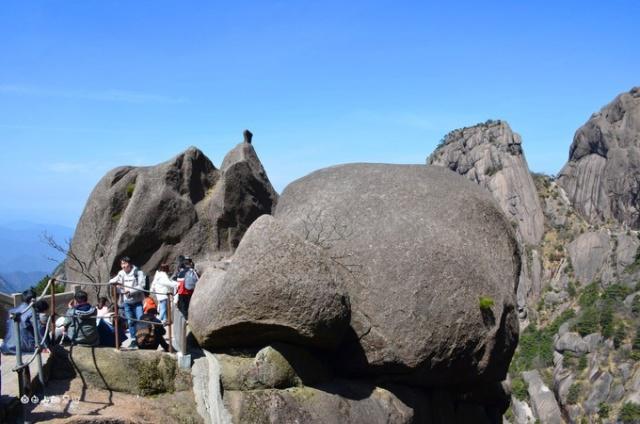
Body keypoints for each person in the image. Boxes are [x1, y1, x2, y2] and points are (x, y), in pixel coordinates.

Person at [109, 256, 145, 349]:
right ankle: (133, 340)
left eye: (125, 263)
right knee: (130, 321)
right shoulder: (121, 273)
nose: (123, 266)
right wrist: (117, 286)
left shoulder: (138, 272)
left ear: (130, 263)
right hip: (127, 302)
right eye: (122, 264)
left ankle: (142, 339)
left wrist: (130, 291)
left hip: (137, 301)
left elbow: (142, 286)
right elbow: (112, 281)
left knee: (140, 320)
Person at [0, 288, 38, 354]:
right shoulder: (31, 312)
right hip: (25, 347)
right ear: (34, 299)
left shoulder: (11, 311)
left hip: (6, 347)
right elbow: (38, 329)